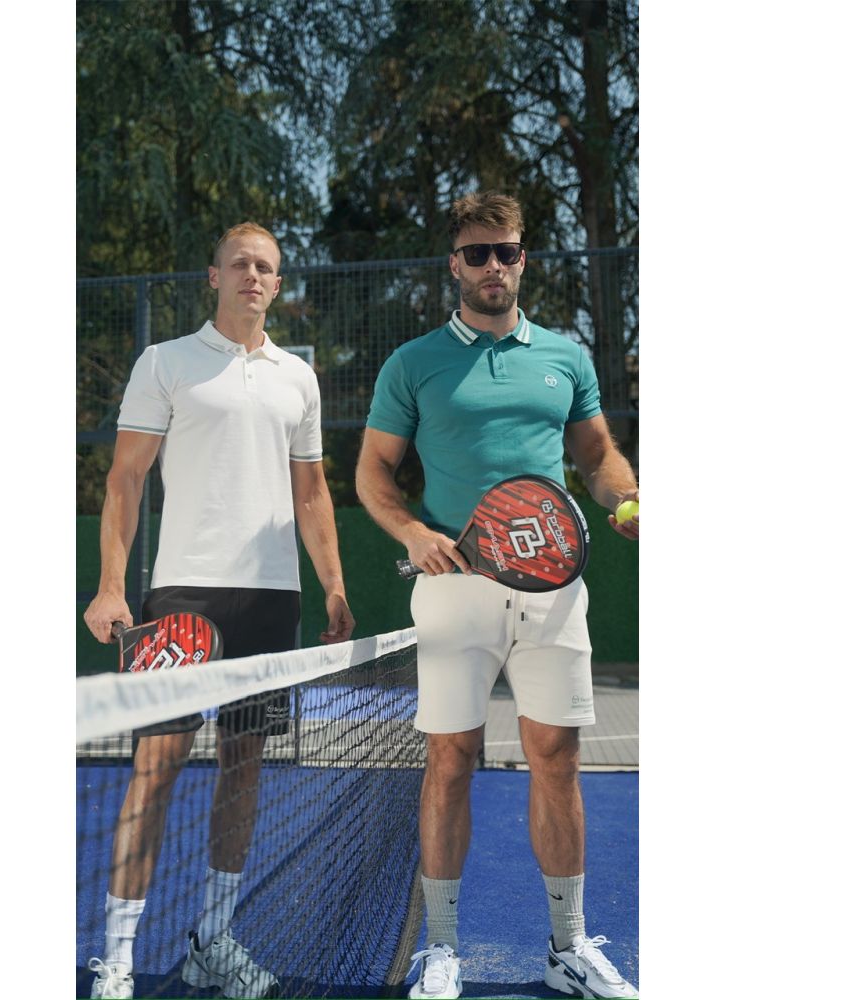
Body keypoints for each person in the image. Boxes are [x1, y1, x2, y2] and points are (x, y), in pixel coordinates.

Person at [355, 191, 638, 1000]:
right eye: (477, 253)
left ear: (523, 259)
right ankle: (441, 949)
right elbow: (372, 471)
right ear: (455, 264)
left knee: (559, 758)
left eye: (506, 251)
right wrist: (412, 531)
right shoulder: (413, 363)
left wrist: (627, 497)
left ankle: (568, 948)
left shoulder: (565, 357)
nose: (493, 266)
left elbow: (597, 456)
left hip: (554, 590)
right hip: (454, 591)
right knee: (450, 760)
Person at [84, 221, 355, 1000]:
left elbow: (312, 493)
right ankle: (118, 960)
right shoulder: (166, 362)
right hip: (182, 594)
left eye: (266, 267)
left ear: (279, 285)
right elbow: (126, 479)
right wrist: (110, 586)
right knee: (154, 769)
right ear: (214, 276)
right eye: (239, 263)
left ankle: (213, 940)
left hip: (271, 600)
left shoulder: (297, 378)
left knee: (244, 769)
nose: (252, 276)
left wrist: (334, 586)